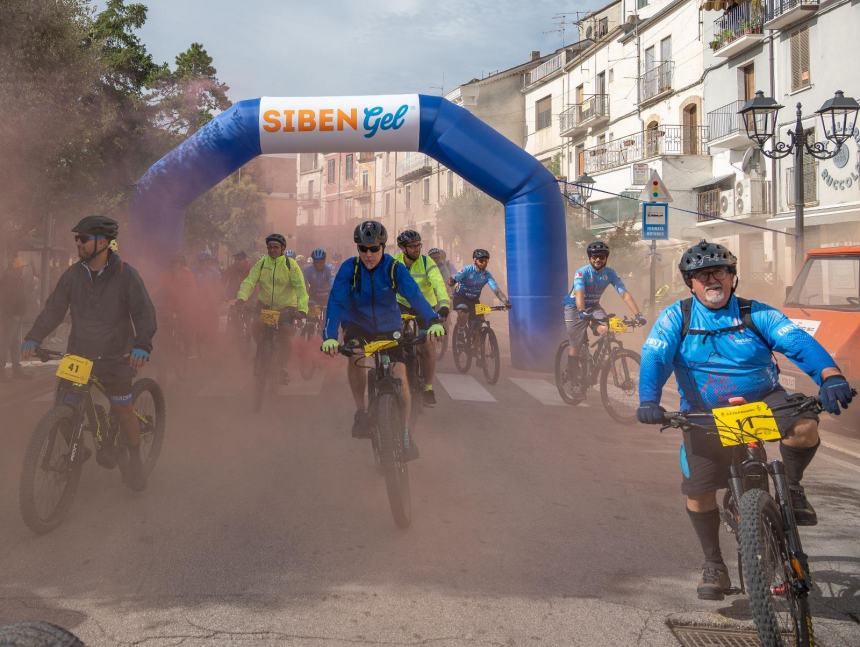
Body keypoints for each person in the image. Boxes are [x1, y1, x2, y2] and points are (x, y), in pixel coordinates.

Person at [637, 239, 854, 601]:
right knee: (700, 490)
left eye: (719, 271)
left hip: (764, 400)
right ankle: (714, 565)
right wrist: (648, 399)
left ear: (732, 277)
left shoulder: (757, 313)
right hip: (706, 412)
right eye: (702, 274)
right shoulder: (678, 317)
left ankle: (794, 488)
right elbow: (655, 357)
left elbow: (797, 342)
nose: (712, 279)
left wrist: (830, 376)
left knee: (805, 428)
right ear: (690, 282)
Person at [21, 215, 157, 491]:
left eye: (83, 238)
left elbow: (144, 313)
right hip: (79, 355)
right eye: (77, 238)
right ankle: (76, 446)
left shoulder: (125, 274)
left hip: (116, 357)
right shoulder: (74, 274)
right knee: (63, 407)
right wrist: (33, 337)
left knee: (122, 409)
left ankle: (134, 459)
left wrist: (142, 345)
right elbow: (54, 309)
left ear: (104, 242)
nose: (78, 243)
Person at [320, 220, 445, 460]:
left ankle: (406, 433)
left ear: (383, 247)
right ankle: (361, 411)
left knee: (400, 374)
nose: (368, 254)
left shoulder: (393, 268)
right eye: (363, 249)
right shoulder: (350, 269)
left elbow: (415, 295)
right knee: (356, 354)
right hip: (357, 324)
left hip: (389, 327)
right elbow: (335, 302)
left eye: (374, 249)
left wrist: (432, 320)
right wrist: (329, 336)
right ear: (358, 249)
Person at [563, 241, 645, 396]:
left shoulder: (610, 273)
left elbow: (624, 294)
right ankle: (573, 379)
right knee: (576, 342)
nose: (597, 260)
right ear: (589, 258)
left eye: (601, 257)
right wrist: (581, 311)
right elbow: (579, 293)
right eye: (594, 257)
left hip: (593, 306)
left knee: (607, 327)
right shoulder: (582, 272)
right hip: (574, 307)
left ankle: (594, 362)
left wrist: (638, 315)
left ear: (606, 258)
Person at [235, 233, 309, 384]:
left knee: (286, 335)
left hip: (286, 308)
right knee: (256, 327)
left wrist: (302, 310)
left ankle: (282, 367)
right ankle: (261, 353)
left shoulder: (291, 265)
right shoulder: (261, 263)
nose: (272, 250)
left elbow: (301, 289)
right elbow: (249, 282)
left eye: (276, 247)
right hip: (265, 307)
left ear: (282, 248)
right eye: (270, 247)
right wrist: (241, 298)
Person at [394, 231, 450, 405]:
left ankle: (428, 387)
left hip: (425, 306)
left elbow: (439, 284)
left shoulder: (427, 262)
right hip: (401, 304)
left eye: (419, 245)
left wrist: (444, 305)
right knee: (392, 339)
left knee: (427, 345)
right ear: (403, 248)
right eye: (412, 246)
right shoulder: (395, 262)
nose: (417, 249)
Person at [449, 249, 511, 328]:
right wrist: (452, 281)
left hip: (474, 300)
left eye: (486, 261)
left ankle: (477, 338)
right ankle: (460, 331)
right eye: (481, 261)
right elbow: (454, 278)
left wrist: (505, 301)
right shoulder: (467, 270)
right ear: (475, 260)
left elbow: (496, 290)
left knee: (480, 321)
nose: (484, 263)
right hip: (460, 298)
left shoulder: (487, 275)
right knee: (463, 315)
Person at [0, 256, 31, 381]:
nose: (23, 269)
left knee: (15, 343)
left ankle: (16, 370)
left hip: (16, 315)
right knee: (5, 343)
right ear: (15, 267)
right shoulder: (10, 277)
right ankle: (2, 372)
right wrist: (11, 313)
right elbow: (7, 298)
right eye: (21, 267)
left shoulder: (15, 277)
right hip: (11, 316)